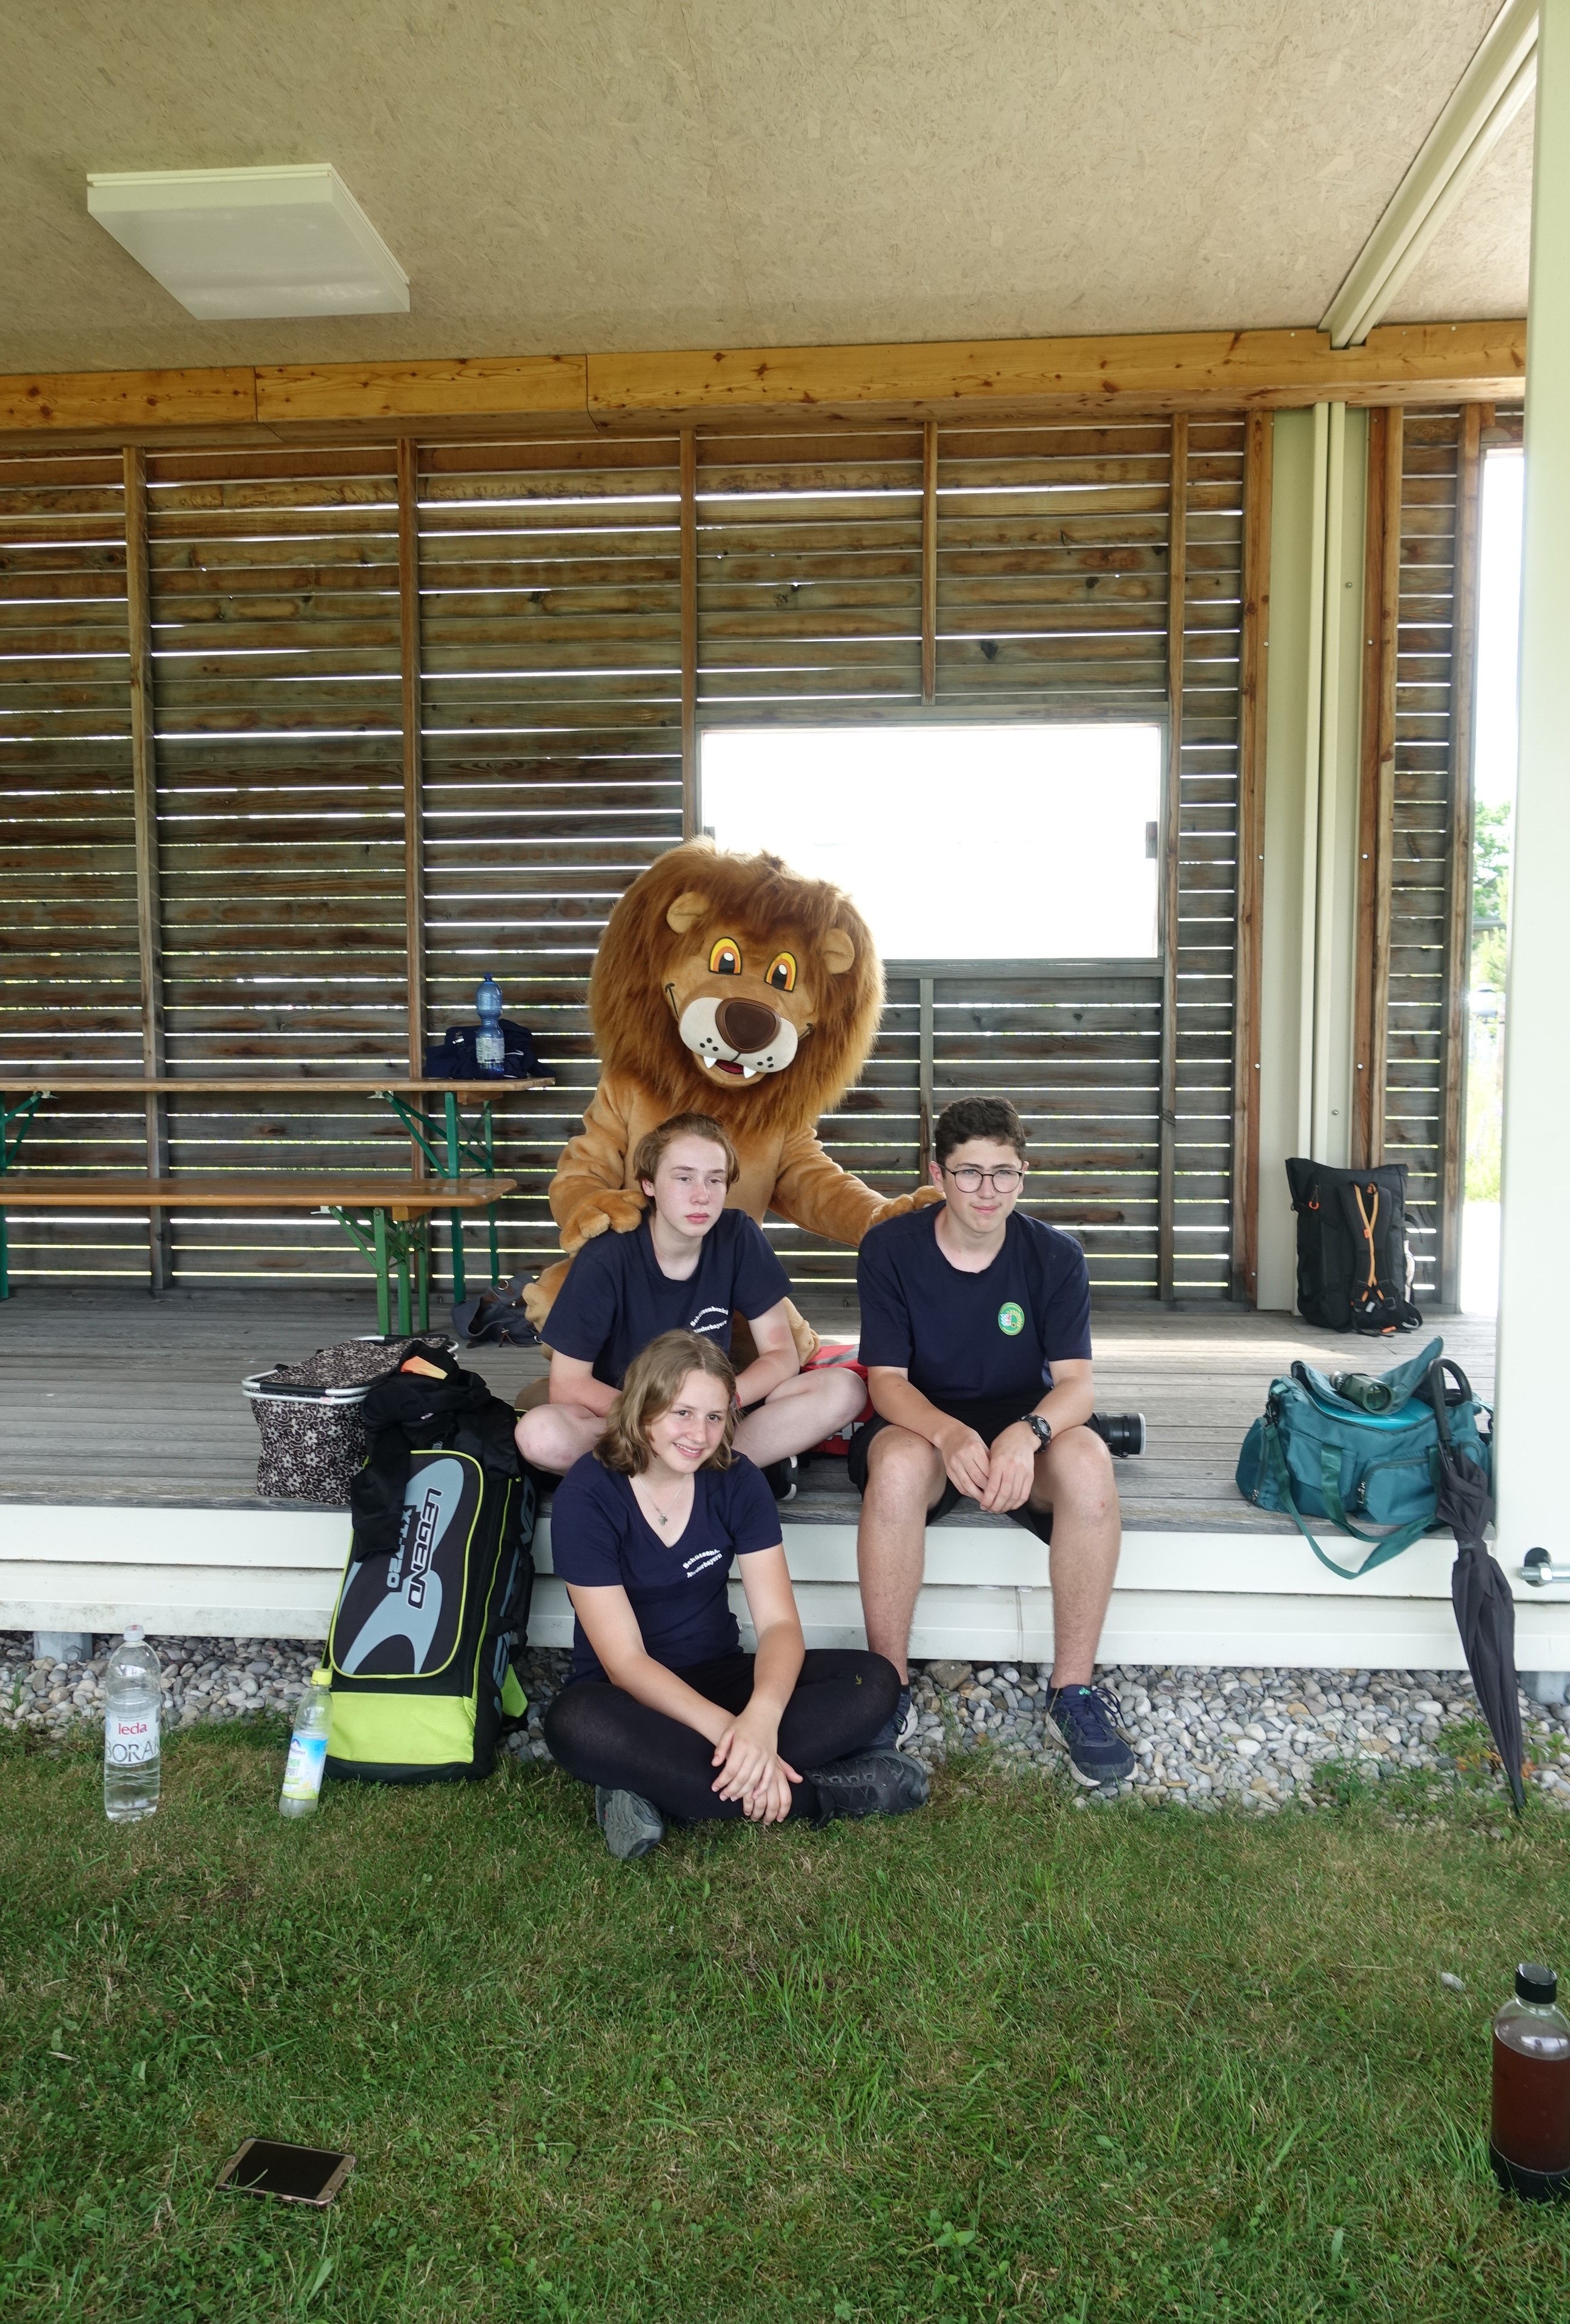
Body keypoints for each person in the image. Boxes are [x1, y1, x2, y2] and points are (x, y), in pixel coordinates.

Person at [542, 1331, 928, 1858]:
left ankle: (650, 1783)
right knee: (576, 1725)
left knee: (872, 1681)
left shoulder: (737, 1480)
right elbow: (625, 1662)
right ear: (644, 1407)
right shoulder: (588, 1495)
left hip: (720, 1675)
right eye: (682, 1413)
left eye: (714, 1417)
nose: (699, 1435)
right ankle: (820, 1796)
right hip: (628, 1696)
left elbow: (779, 1625)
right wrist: (735, 1732)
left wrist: (761, 1719)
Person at [850, 1095, 1134, 1787]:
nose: (987, 1190)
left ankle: (1073, 1692)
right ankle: (887, 1686)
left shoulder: (1055, 1255)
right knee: (895, 1468)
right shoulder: (891, 1247)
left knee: (1090, 1461)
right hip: (924, 1421)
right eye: (969, 1172)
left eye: (1004, 1173)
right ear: (938, 1174)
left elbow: (1077, 1386)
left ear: (1023, 1174)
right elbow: (886, 1383)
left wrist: (1028, 1433)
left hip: (1022, 1424)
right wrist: (949, 1432)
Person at [515, 1112, 864, 1499]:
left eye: (715, 1179)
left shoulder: (738, 1236)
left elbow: (781, 1355)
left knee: (845, 1389)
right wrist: (662, 1420)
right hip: (633, 1421)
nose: (702, 1195)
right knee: (541, 1434)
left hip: (714, 1418)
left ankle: (668, 1475)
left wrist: (717, 1405)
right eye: (684, 1178)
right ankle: (728, 1471)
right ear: (649, 1184)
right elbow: (569, 1385)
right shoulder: (607, 1254)